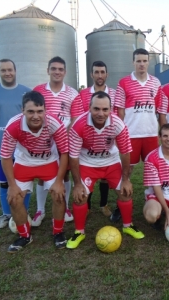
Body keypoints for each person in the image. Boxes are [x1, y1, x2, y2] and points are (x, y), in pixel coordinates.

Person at [67, 91, 145, 249]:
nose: (100, 113)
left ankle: (128, 225)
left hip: (110, 161)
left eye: (105, 109)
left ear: (111, 110)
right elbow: (73, 157)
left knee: (125, 192)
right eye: (96, 109)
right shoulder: (78, 125)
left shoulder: (118, 124)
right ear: (89, 108)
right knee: (80, 196)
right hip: (87, 162)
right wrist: (77, 184)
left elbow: (125, 152)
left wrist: (125, 180)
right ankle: (79, 231)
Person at [0, 91, 69, 253]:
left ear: (45, 110)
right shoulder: (13, 126)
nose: (36, 116)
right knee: (14, 199)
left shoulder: (54, 123)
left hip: (48, 161)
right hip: (24, 162)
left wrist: (59, 182)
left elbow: (64, 153)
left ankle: (58, 232)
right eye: (30, 111)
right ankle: (25, 236)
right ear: (23, 111)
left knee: (59, 194)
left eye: (40, 111)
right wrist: (11, 185)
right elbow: (5, 157)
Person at [32, 56, 84, 226]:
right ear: (48, 70)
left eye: (60, 69)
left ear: (65, 72)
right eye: (53, 68)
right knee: (42, 174)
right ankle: (40, 210)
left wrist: (61, 135)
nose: (57, 72)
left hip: (64, 141)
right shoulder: (38, 91)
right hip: (43, 141)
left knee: (65, 174)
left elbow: (75, 120)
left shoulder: (72, 93)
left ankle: (66, 206)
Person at [112, 48, 162, 222]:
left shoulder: (156, 83)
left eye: (144, 61)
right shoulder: (124, 82)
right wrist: (120, 135)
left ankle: (152, 200)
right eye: (138, 61)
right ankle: (120, 204)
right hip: (131, 135)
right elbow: (119, 111)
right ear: (133, 62)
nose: (141, 64)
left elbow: (159, 109)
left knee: (153, 170)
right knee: (127, 171)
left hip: (150, 134)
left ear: (149, 62)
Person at [0, 58, 31, 229]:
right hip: (0, 144)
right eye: (3, 70)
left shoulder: (26, 92)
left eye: (10, 69)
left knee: (25, 181)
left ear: (15, 71)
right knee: (5, 181)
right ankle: (6, 214)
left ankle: (24, 212)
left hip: (22, 146)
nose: (8, 73)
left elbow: (31, 117)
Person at [75, 61, 116, 217]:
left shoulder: (114, 93)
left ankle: (104, 205)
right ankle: (88, 206)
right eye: (96, 72)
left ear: (107, 74)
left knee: (105, 177)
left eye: (102, 72)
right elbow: (80, 116)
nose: (99, 75)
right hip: (88, 143)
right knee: (88, 177)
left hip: (108, 141)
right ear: (91, 74)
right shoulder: (83, 94)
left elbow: (117, 115)